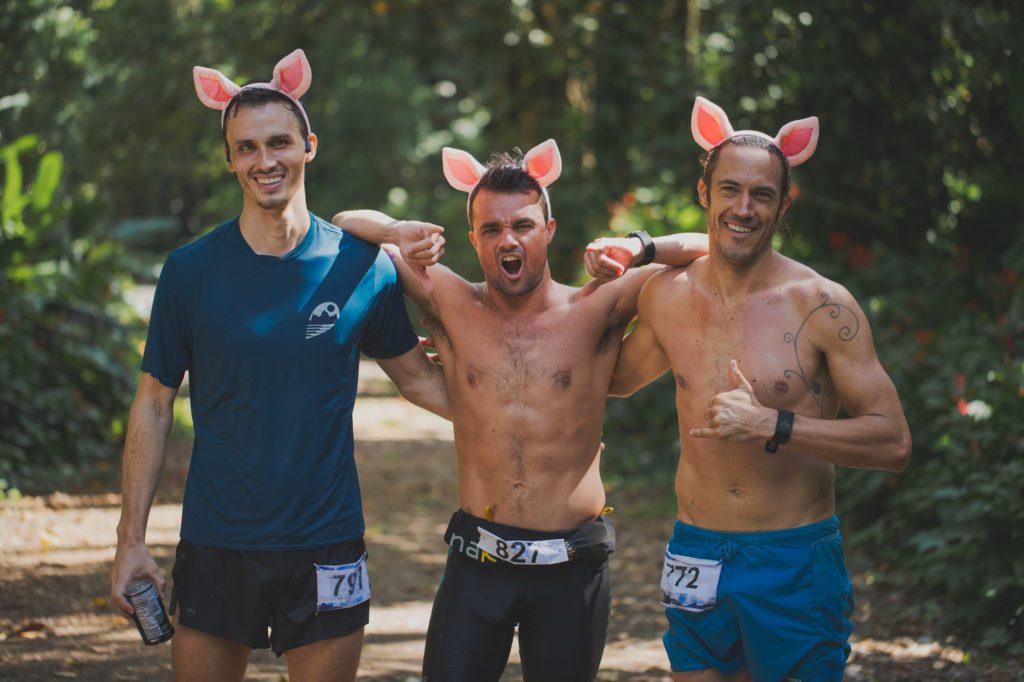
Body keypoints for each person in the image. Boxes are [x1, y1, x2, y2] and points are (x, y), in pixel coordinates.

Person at [108, 49, 449, 682]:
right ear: (230, 158)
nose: (265, 161)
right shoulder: (190, 272)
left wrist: (529, 406)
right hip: (217, 540)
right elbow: (153, 403)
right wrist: (131, 541)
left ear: (308, 145)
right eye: (246, 148)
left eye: (279, 142)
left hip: (328, 543)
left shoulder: (362, 265)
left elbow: (424, 382)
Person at [332, 139, 709, 681]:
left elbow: (712, 251)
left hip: (572, 566)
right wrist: (397, 232)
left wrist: (639, 246)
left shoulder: (597, 304)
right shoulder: (449, 298)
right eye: (491, 229)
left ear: (548, 231)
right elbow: (345, 223)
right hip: (477, 561)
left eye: (523, 225)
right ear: (474, 240)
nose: (508, 239)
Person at [589, 96, 912, 681]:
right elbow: (611, 380)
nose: (744, 208)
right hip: (695, 548)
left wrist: (775, 424)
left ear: (784, 202)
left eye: (762, 195)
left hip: (792, 558)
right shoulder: (667, 295)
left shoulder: (821, 306)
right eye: (729, 190)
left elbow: (892, 443)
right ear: (703, 193)